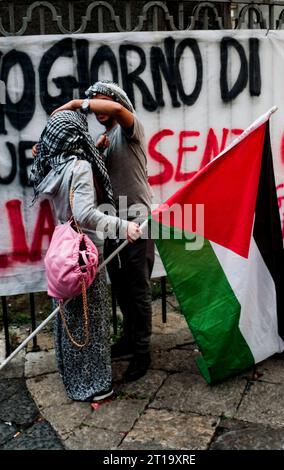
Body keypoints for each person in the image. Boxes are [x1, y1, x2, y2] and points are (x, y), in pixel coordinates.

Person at [30, 110, 141, 401]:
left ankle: (73, 377)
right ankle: (94, 385)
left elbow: (46, 163)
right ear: (75, 135)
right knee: (91, 318)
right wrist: (124, 225)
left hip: (61, 251)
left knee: (71, 320)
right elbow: (85, 214)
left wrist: (96, 148)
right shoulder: (78, 166)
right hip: (84, 254)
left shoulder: (52, 166)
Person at [52, 80, 154, 382]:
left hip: (137, 222)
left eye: (98, 102)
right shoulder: (105, 139)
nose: (96, 109)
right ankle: (128, 339)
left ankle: (142, 351)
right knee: (121, 286)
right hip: (112, 223)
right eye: (91, 103)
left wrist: (75, 105)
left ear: (112, 100)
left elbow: (116, 109)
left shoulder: (130, 128)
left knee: (138, 289)